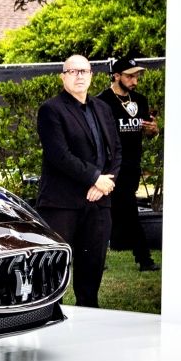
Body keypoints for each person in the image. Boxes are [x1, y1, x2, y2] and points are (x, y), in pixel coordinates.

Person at [36, 55, 121, 307]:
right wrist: (95, 178)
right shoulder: (51, 110)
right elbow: (59, 155)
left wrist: (104, 183)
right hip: (62, 204)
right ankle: (50, 317)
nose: (79, 76)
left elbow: (116, 151)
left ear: (92, 75)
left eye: (84, 71)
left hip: (98, 203)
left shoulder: (103, 108)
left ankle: (89, 317)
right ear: (63, 77)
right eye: (73, 71)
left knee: (92, 269)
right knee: (54, 271)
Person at [97, 54, 158, 271]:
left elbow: (149, 131)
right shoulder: (101, 101)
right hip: (110, 166)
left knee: (114, 210)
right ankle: (144, 258)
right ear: (116, 76)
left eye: (137, 76)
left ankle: (100, 256)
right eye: (130, 76)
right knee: (124, 210)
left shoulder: (139, 100)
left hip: (133, 164)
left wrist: (153, 131)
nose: (135, 81)